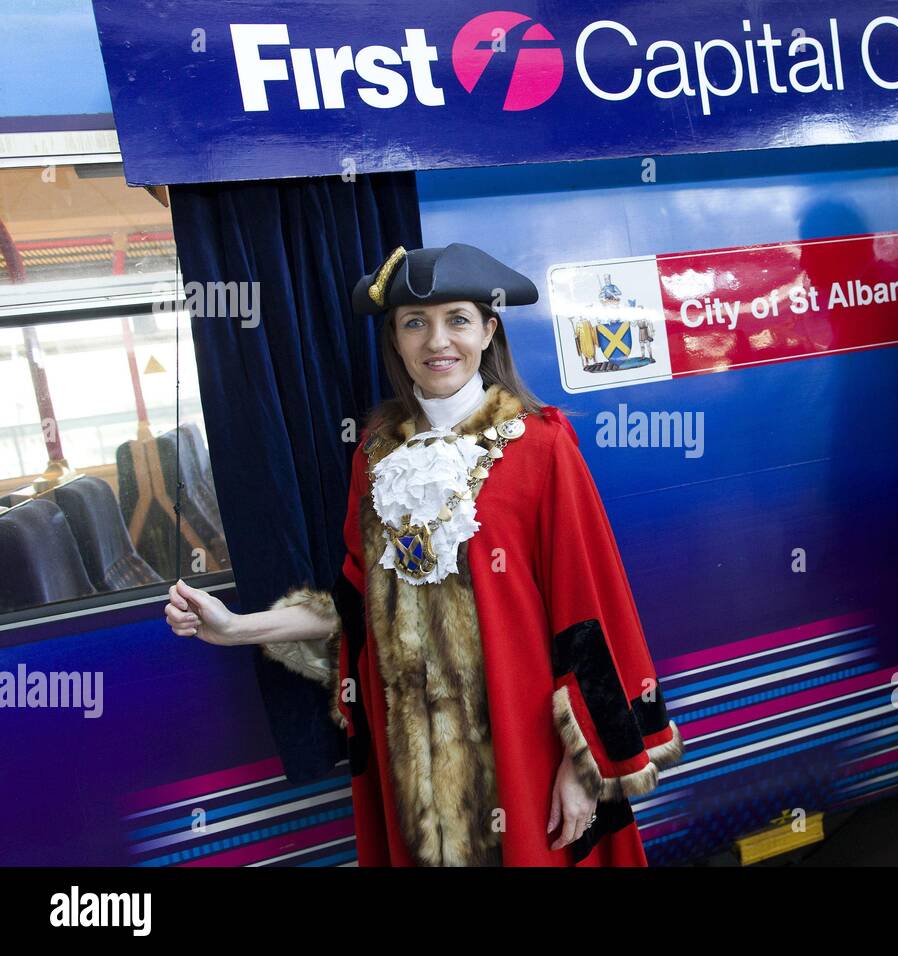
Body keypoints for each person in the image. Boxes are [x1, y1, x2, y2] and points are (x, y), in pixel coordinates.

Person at [165, 242, 683, 866]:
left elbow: (588, 610)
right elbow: (357, 604)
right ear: (397, 340)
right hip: (413, 775)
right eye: (416, 323)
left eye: (457, 320)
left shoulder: (542, 446)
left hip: (524, 758)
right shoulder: (376, 456)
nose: (438, 341)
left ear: (489, 331)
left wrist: (583, 767)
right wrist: (236, 628)